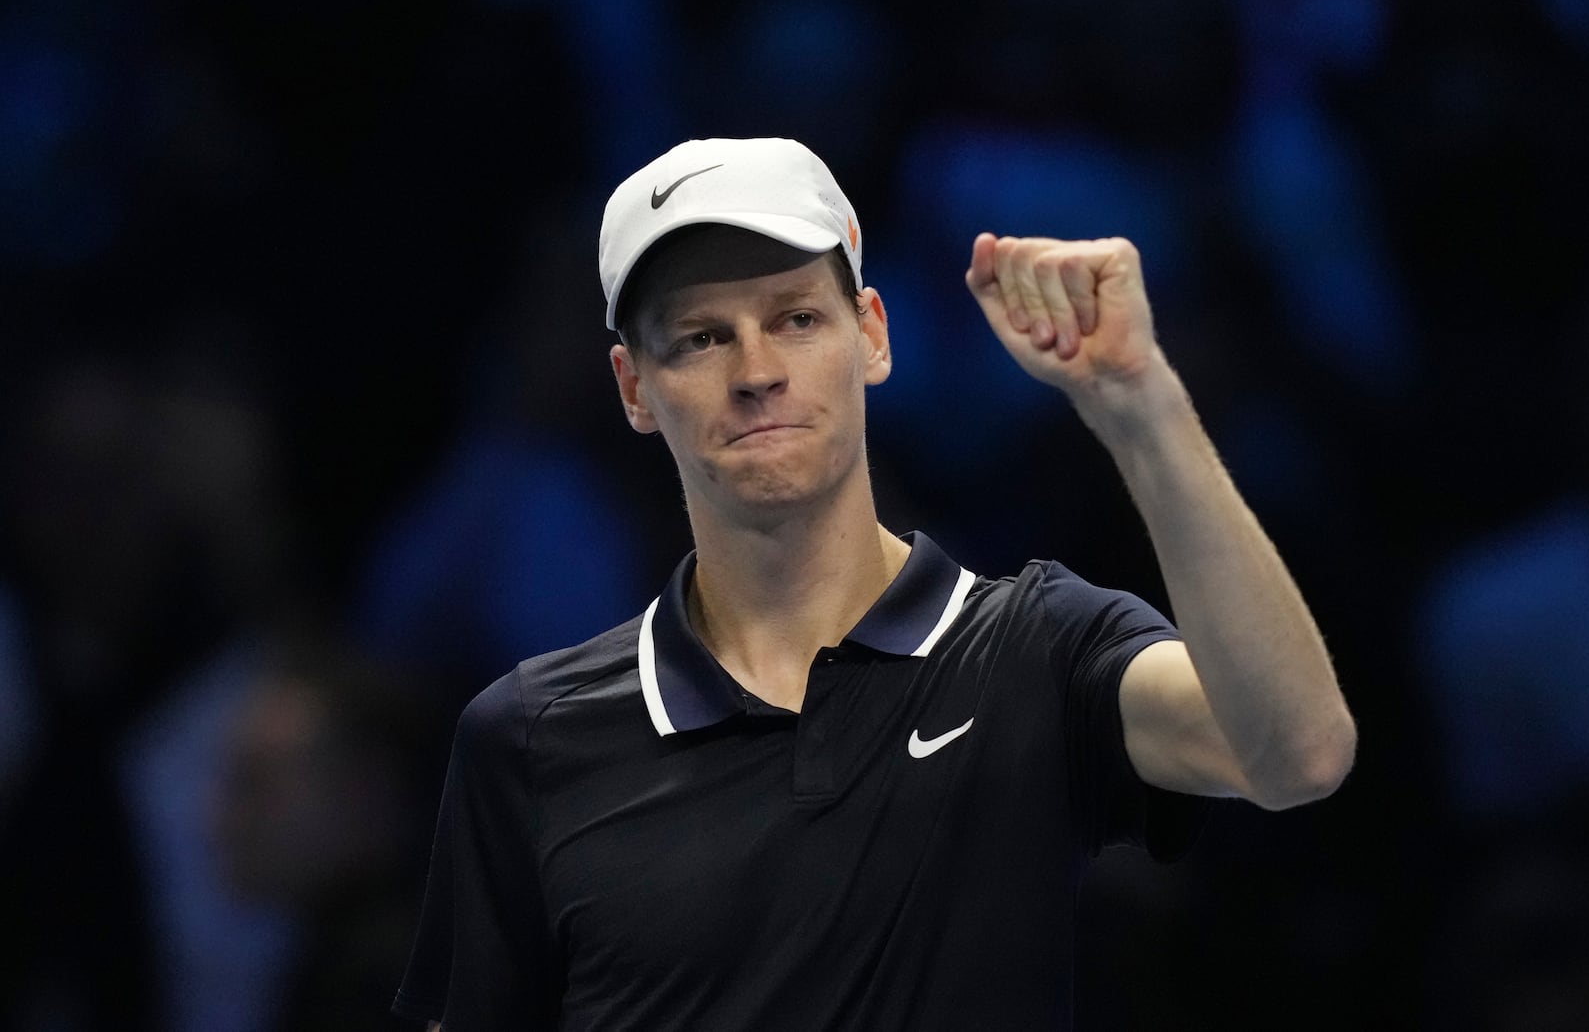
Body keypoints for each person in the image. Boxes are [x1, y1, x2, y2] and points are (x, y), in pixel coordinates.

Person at [392, 137, 1356, 1030]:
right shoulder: (526, 736)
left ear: (873, 336)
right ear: (634, 387)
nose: (757, 371)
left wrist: (1141, 405)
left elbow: (1297, 751)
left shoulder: (1030, 647)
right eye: (699, 338)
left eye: (797, 317)